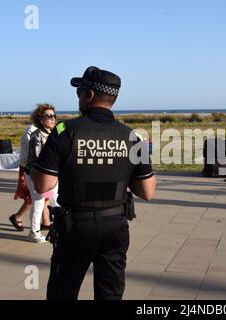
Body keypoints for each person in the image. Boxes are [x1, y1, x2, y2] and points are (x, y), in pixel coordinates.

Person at [32, 66, 156, 300]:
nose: (78, 97)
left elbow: (43, 185)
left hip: (76, 226)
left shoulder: (64, 131)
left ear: (88, 95)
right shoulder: (133, 137)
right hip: (115, 226)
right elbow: (147, 191)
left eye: (79, 92)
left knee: (63, 292)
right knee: (110, 294)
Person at [25, 104, 57, 243]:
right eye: (48, 116)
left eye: (53, 116)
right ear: (40, 119)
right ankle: (34, 232)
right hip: (36, 176)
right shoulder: (37, 135)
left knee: (54, 200)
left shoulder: (53, 133)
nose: (52, 118)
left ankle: (59, 228)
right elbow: (37, 159)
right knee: (38, 202)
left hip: (50, 176)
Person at [9, 123, 37, 231]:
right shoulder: (32, 132)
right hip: (29, 168)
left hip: (31, 167)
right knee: (31, 196)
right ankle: (17, 217)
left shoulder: (33, 130)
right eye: (49, 116)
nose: (52, 119)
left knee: (42, 196)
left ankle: (45, 221)